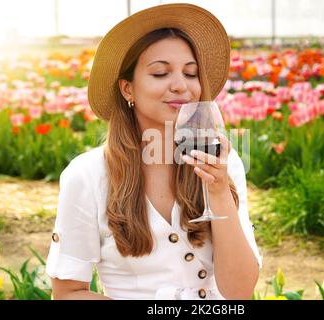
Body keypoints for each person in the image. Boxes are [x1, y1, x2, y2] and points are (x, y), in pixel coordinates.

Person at [45, 3, 262, 300]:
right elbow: (68, 293)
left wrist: (221, 192)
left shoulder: (221, 163)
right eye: (160, 73)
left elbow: (239, 293)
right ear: (127, 89)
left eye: (191, 73)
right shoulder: (88, 175)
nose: (180, 86)